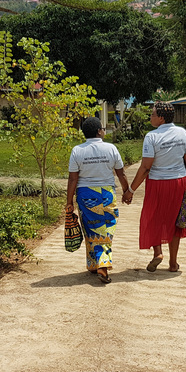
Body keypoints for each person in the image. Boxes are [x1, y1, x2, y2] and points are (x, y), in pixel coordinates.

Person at [122, 101, 186, 273]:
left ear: (161, 118)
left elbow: (146, 167)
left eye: (153, 114)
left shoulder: (152, 137)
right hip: (179, 182)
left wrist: (130, 191)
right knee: (176, 220)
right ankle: (173, 263)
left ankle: (158, 253)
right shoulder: (183, 133)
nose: (151, 117)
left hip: (157, 183)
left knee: (154, 216)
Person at [66, 117, 130, 284]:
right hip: (106, 193)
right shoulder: (110, 148)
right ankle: (102, 265)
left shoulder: (77, 151)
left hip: (85, 194)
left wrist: (69, 202)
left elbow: (73, 179)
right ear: (99, 131)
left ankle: (94, 264)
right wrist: (126, 191)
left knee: (91, 229)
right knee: (106, 229)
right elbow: (121, 173)